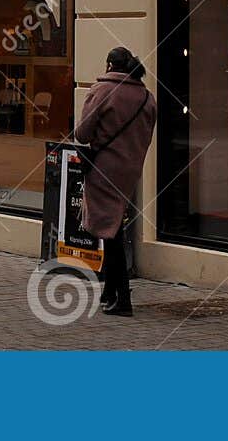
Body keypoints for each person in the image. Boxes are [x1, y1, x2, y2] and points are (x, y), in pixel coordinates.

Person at [72, 46, 157, 317]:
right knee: (113, 225)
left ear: (110, 65)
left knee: (110, 232)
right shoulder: (146, 97)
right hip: (130, 170)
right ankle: (110, 291)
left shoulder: (102, 91)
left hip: (103, 169)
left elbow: (82, 134)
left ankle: (122, 299)